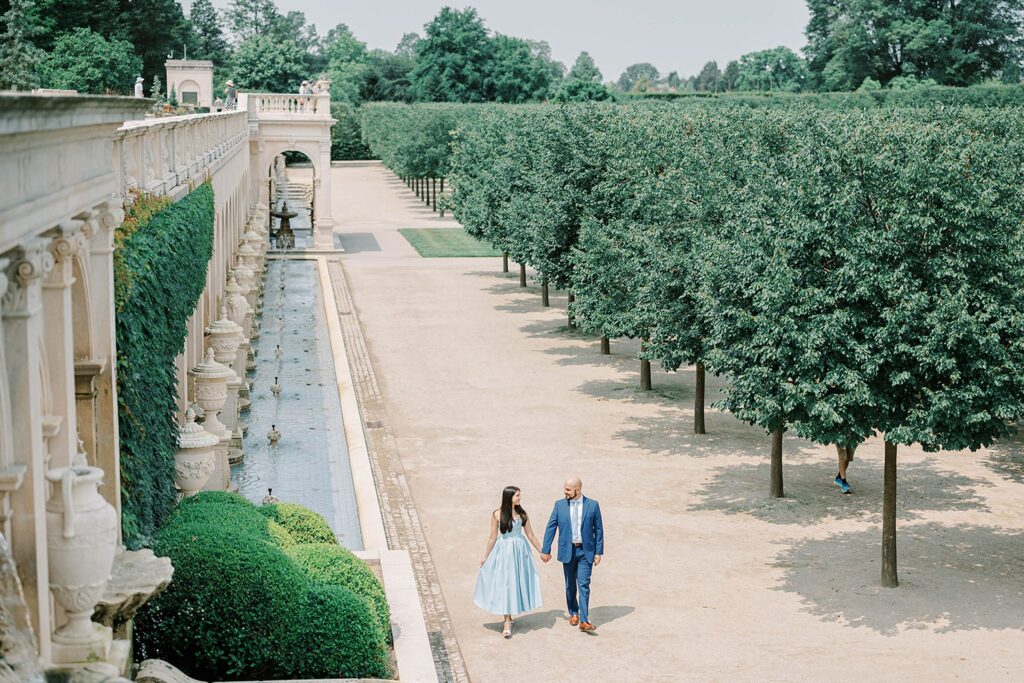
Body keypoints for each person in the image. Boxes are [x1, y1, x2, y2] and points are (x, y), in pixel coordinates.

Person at [474, 485, 543, 639]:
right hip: (504, 551)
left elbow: (530, 534)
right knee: (505, 583)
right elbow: (492, 537)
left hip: (520, 551)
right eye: (517, 495)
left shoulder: (522, 514)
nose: (519, 498)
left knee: (515, 583)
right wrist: (485, 556)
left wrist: (541, 551)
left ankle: (509, 617)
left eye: (520, 495)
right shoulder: (497, 514)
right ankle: (506, 621)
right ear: (509, 497)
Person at [540, 477, 604, 632]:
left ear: (578, 489)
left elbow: (599, 529)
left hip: (585, 551)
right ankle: (573, 612)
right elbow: (551, 527)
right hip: (567, 550)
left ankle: (584, 620)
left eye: (568, 489)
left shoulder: (593, 505)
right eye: (565, 488)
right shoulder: (559, 505)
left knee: (583, 584)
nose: (565, 491)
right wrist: (545, 549)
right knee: (570, 586)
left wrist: (598, 552)